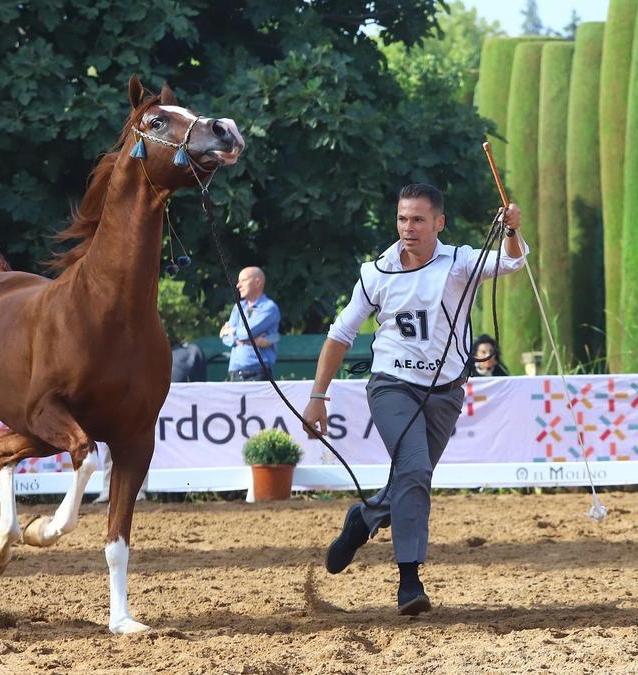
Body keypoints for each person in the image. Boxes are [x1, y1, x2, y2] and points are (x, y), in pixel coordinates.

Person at [302, 183, 526, 615]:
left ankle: (364, 519)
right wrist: (317, 397)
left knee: (411, 478)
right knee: (416, 469)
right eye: (403, 219)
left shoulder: (461, 261)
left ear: (439, 223)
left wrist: (512, 228)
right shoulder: (376, 272)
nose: (409, 228)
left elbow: (514, 260)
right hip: (391, 386)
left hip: (444, 393)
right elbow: (340, 335)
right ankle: (409, 582)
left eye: (419, 219)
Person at [220, 267, 280, 381]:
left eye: (243, 280)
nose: (238, 285)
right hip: (234, 374)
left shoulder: (269, 308)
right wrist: (253, 341)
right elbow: (225, 338)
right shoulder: (238, 307)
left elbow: (247, 332)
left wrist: (232, 331)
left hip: (258, 375)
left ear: (257, 282)